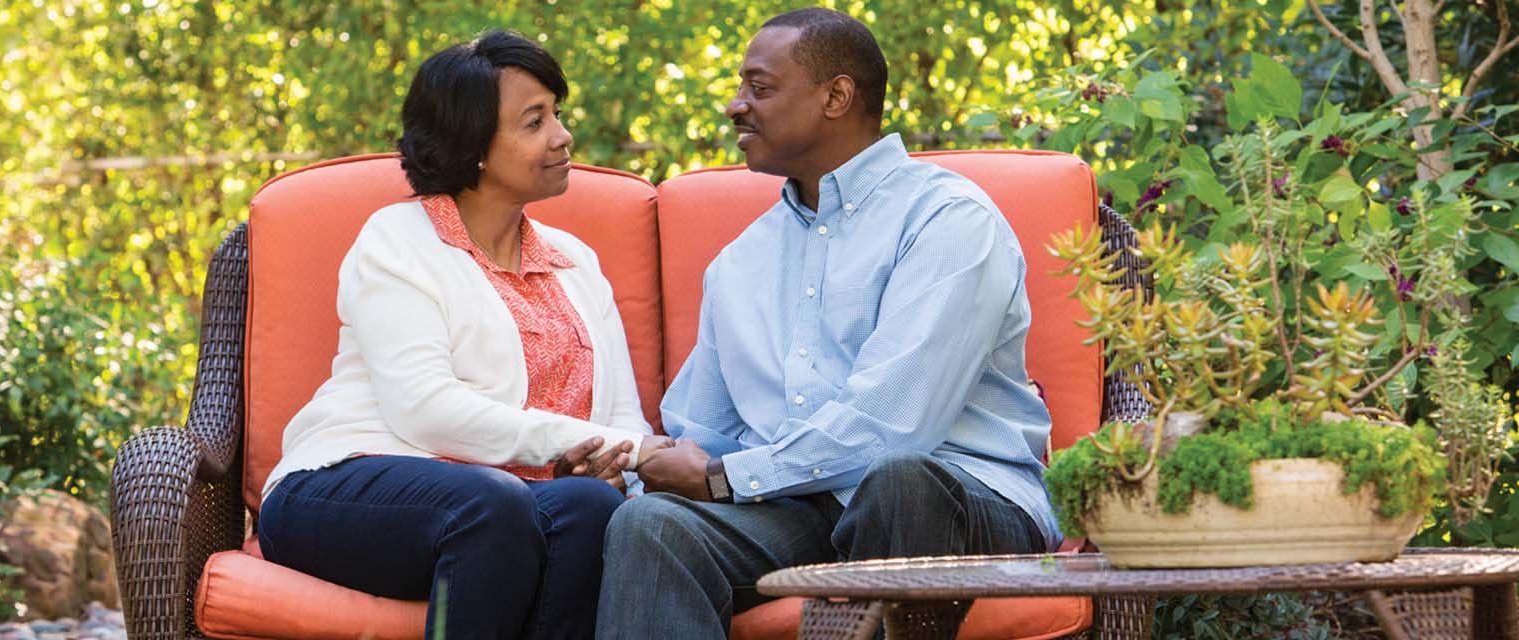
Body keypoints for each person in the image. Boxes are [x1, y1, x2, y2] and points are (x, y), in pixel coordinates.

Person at [597, 8, 1059, 637]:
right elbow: (701, 431)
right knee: (652, 526)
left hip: (960, 501)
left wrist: (723, 477)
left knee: (896, 481)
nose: (736, 107)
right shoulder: (739, 263)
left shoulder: (948, 220)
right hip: (800, 508)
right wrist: (636, 465)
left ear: (836, 96)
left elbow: (893, 429)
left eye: (759, 89)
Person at [256, 30, 671, 640]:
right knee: (490, 504)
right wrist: (611, 448)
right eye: (535, 122)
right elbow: (425, 411)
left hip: (513, 512)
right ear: (473, 145)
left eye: (558, 114)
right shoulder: (398, 241)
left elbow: (621, 422)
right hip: (344, 487)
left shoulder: (575, 262)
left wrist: (618, 466)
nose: (562, 137)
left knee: (592, 509)